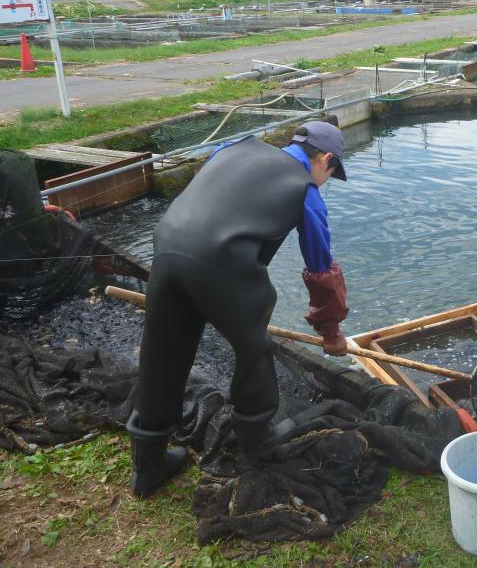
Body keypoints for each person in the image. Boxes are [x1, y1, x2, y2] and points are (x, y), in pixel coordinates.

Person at [127, 121, 351, 498]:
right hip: (219, 262)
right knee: (254, 348)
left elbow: (207, 199)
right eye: (332, 172)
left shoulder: (234, 148)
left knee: (164, 352)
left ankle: (147, 466)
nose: (327, 181)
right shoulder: (304, 191)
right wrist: (330, 331)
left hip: (167, 247)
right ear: (325, 159)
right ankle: (258, 440)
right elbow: (321, 270)